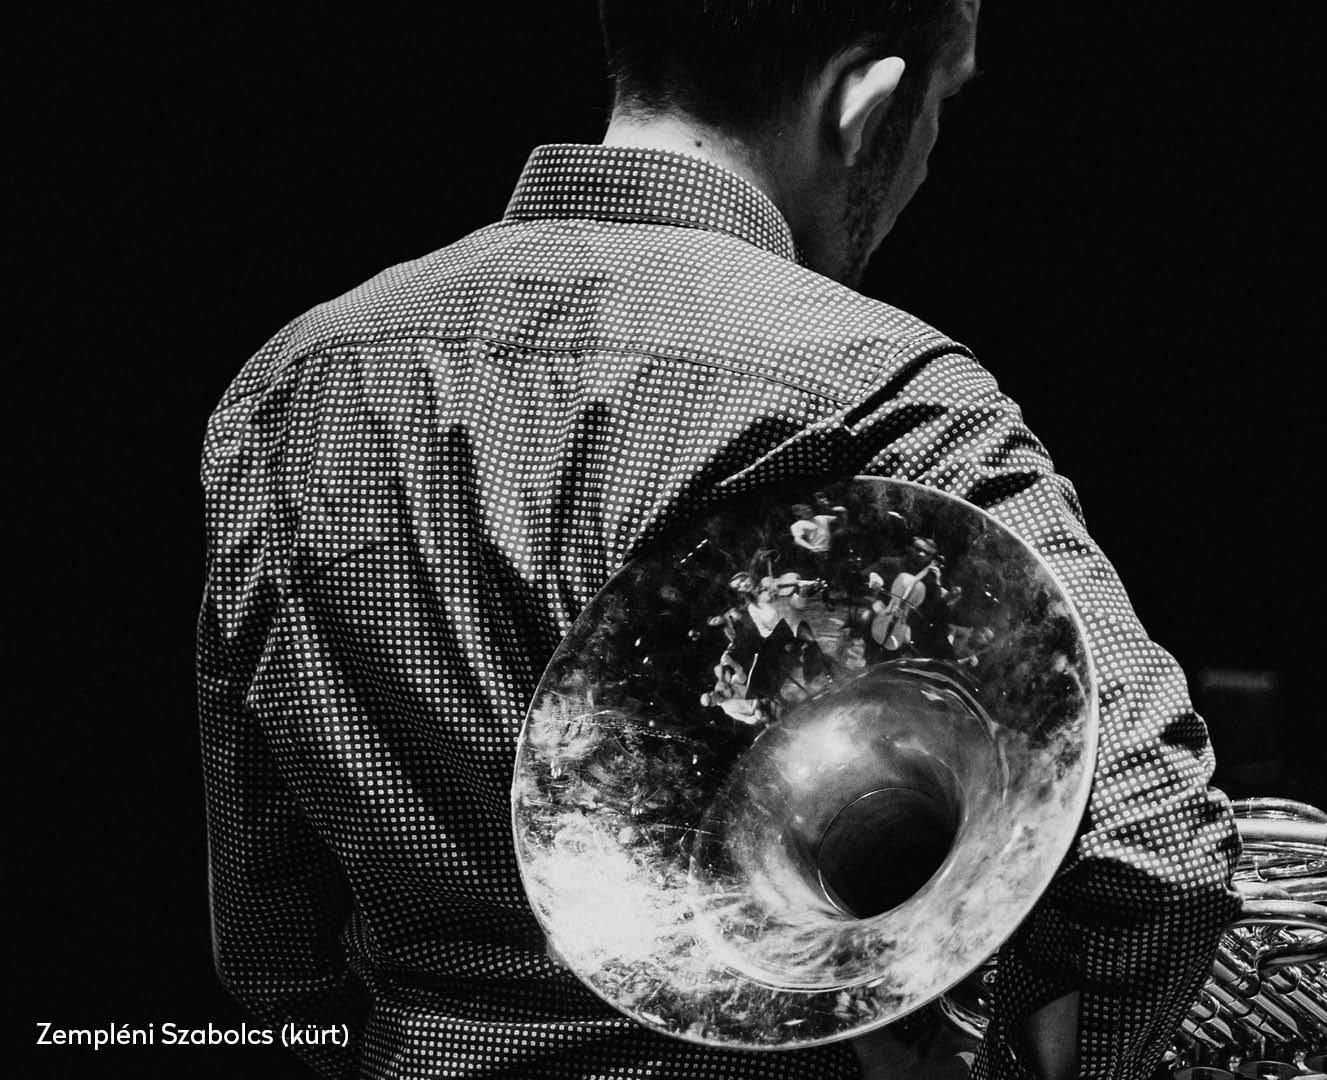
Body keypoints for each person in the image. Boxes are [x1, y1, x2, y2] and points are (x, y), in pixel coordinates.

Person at [197, 3, 1240, 1078]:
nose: (930, 157)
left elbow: (273, 954)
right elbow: (1152, 848)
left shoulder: (286, 392)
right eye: (944, 103)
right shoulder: (878, 390)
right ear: (865, 103)